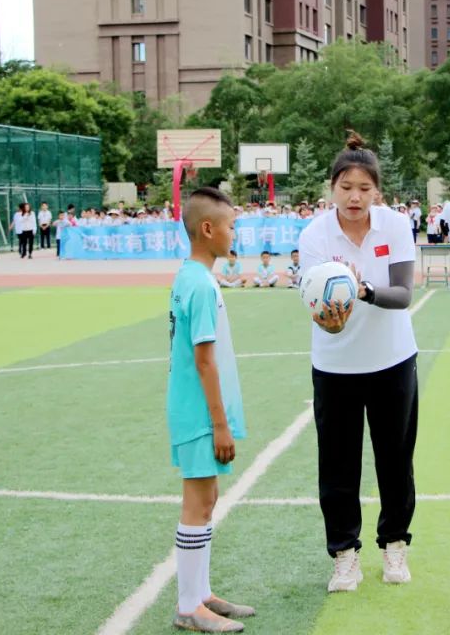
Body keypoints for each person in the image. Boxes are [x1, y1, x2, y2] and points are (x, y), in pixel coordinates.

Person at [297, 131, 419, 593]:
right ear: (331, 188)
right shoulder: (314, 236)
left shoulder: (396, 226)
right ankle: (344, 554)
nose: (354, 197)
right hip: (335, 368)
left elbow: (404, 295)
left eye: (364, 189)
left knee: (395, 460)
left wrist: (362, 290)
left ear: (378, 193)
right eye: (346, 187)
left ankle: (394, 545)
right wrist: (332, 320)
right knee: (338, 464)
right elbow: (320, 314)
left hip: (392, 361)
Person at [167, 187, 255, 633]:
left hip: (196, 412)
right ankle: (187, 606)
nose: (234, 233)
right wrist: (220, 425)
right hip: (199, 415)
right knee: (198, 504)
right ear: (207, 229)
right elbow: (204, 360)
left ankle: (201, 594)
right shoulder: (199, 283)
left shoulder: (193, 277)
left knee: (207, 499)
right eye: (231, 226)